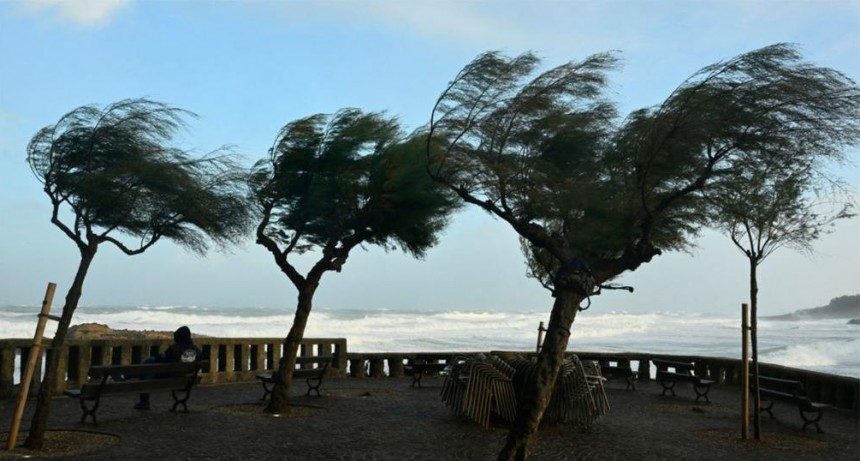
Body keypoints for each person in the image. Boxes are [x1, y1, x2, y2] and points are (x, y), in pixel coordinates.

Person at [134, 325, 202, 410]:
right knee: (150, 362)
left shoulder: (174, 349)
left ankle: (144, 401)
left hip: (169, 378)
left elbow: (159, 360)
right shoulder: (197, 351)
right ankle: (126, 376)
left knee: (148, 365)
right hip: (186, 380)